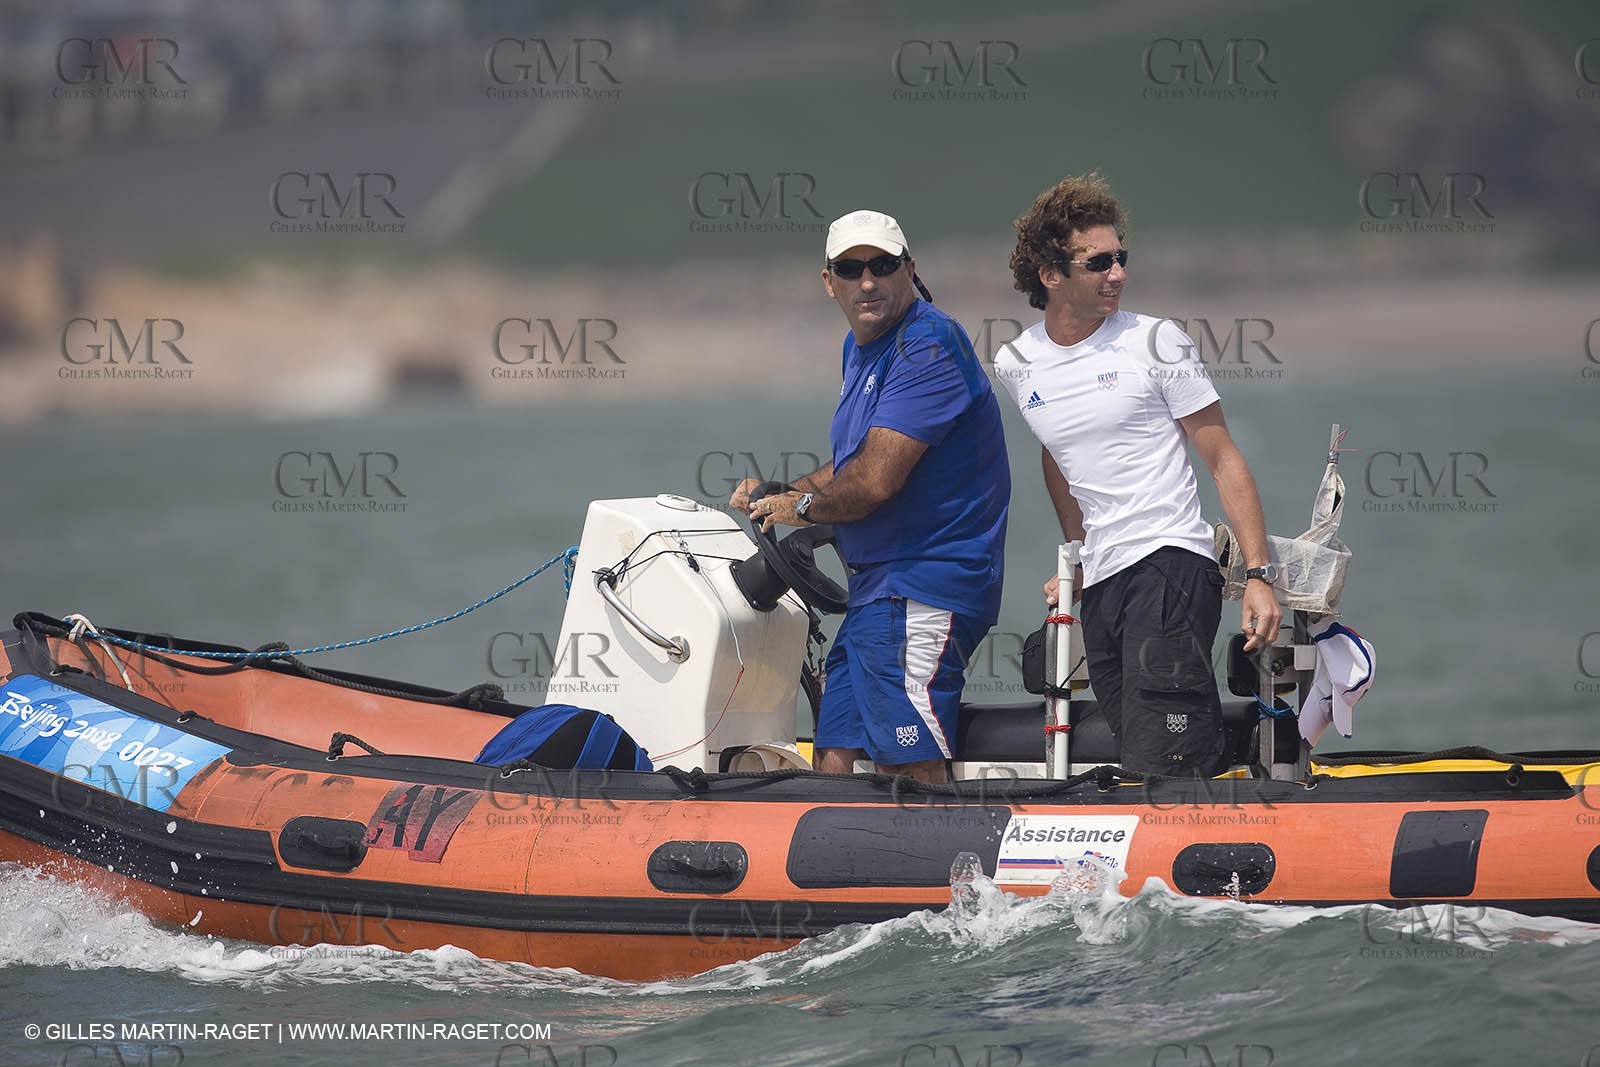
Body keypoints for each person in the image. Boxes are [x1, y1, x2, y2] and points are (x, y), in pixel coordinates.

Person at [993, 173, 1280, 778]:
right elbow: (1058, 454)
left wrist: (1258, 575)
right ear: (1050, 274)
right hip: (1102, 577)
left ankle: (1208, 851)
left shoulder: (1157, 341)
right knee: (1141, 745)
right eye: (1099, 262)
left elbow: (1223, 456)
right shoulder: (1017, 362)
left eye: (1122, 257)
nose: (1118, 273)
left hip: (1170, 562)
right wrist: (1073, 553)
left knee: (1166, 754)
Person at [731, 209, 1009, 784]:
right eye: (851, 269)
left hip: (925, 583)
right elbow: (854, 462)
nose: (868, 281)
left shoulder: (928, 346)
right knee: (835, 750)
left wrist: (802, 509)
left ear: (909, 270)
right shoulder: (860, 349)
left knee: (908, 761)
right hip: (876, 591)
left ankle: (937, 863)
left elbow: (876, 482)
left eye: (882, 265)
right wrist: (786, 491)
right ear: (828, 281)